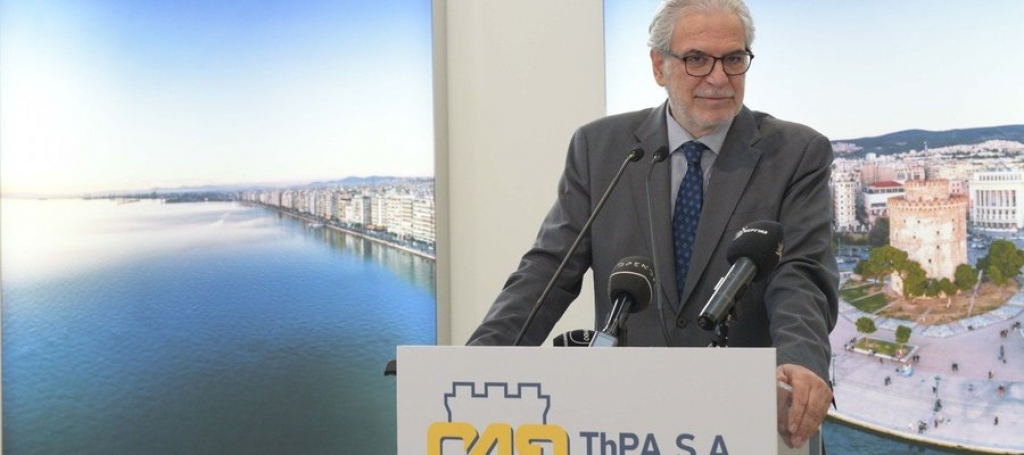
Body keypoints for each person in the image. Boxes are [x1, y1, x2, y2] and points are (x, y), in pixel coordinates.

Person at [466, 0, 837, 449]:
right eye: (696, 59)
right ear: (659, 66)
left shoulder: (797, 153)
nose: (718, 77)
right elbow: (548, 271)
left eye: (733, 59)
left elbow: (801, 275)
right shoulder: (600, 148)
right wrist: (479, 363)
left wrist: (801, 361)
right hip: (626, 422)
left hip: (750, 418)